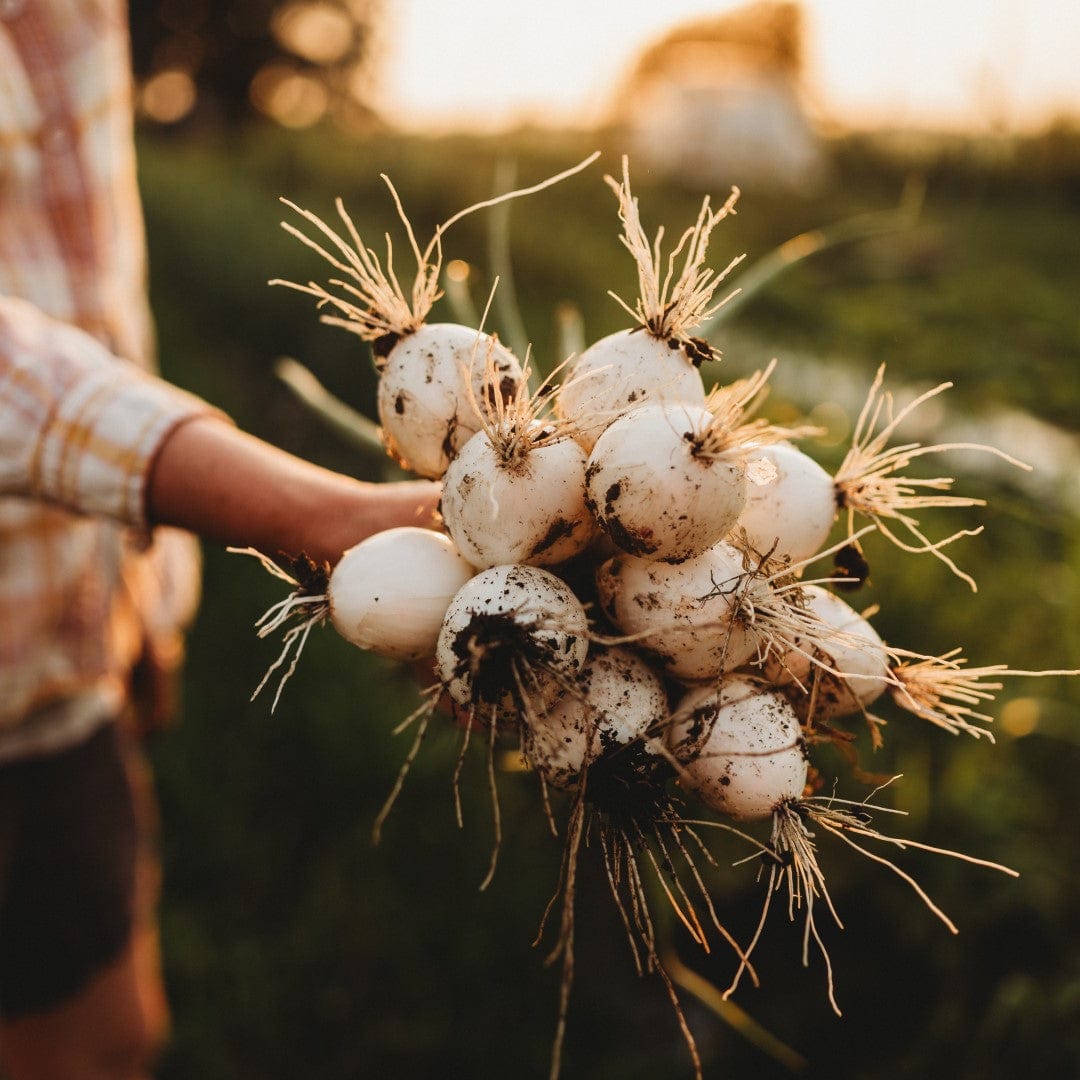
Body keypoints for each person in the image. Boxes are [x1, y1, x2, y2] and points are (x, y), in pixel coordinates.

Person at [0, 2, 439, 1077]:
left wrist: (135, 598)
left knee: (107, 1042)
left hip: (60, 660)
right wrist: (315, 510)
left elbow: (84, 285)